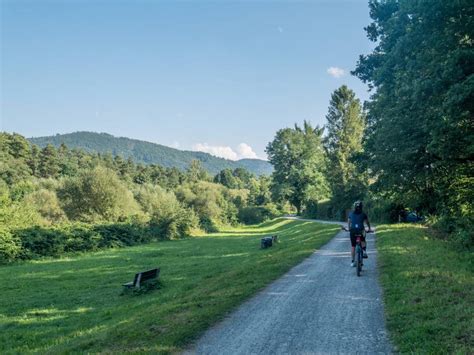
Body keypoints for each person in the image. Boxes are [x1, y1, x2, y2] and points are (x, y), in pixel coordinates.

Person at [348, 201, 371, 267]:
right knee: (363, 240)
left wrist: (349, 228)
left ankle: (352, 261)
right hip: (361, 230)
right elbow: (367, 222)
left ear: (354, 207)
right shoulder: (363, 214)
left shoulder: (351, 214)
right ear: (361, 207)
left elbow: (349, 222)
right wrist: (369, 228)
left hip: (353, 231)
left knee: (353, 246)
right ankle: (364, 251)